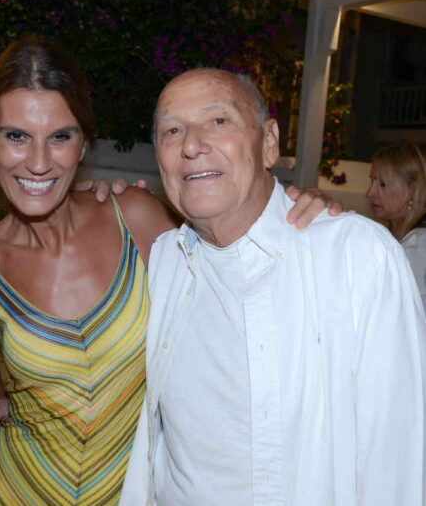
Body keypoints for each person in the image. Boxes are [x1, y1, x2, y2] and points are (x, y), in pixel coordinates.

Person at [0, 38, 342, 506]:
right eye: (16, 136)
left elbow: (233, 261)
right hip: (16, 492)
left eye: (60, 136)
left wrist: (294, 205)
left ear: (83, 145)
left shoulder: (136, 218)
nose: (39, 162)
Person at [121, 68, 426, 506]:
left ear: (268, 142)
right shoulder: (166, 259)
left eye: (218, 120)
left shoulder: (357, 257)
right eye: (172, 131)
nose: (190, 145)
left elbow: (395, 463)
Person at [366, 141, 426, 305]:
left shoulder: (418, 246)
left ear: (413, 189)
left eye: (382, 184)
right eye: (371, 182)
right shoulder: (396, 237)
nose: (370, 193)